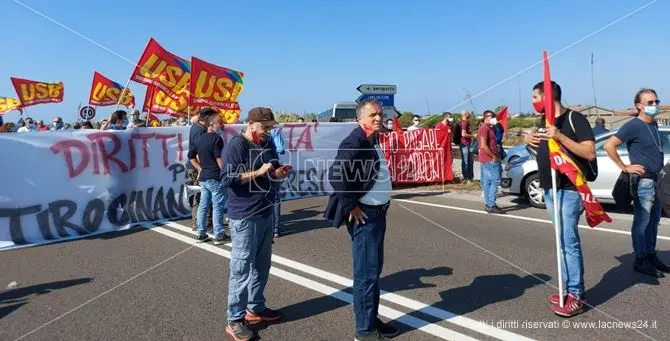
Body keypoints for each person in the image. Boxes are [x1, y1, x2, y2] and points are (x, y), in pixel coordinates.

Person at [324, 99, 399, 341]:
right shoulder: (354, 140)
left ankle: (371, 319)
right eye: (372, 115)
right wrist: (351, 206)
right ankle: (364, 332)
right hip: (366, 216)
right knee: (366, 275)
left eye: (379, 114)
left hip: (378, 214)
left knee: (373, 272)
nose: (378, 118)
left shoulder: (372, 138)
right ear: (360, 119)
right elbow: (336, 174)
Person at [524, 81, 595, 317]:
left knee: (568, 242)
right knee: (560, 243)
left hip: (569, 189)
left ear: (548, 96)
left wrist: (561, 137)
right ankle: (565, 288)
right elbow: (543, 153)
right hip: (550, 189)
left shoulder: (575, 119)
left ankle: (576, 293)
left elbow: (589, 152)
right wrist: (529, 142)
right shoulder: (542, 122)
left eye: (536, 97)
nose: (533, 102)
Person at [220, 107, 290, 340]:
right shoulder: (236, 146)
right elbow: (228, 179)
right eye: (265, 127)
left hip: (265, 212)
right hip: (244, 216)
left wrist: (277, 173)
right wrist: (258, 172)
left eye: (271, 127)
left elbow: (271, 171)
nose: (268, 132)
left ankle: (255, 307)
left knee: (262, 265)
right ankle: (235, 319)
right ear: (251, 124)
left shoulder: (268, 143)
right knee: (241, 270)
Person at [604, 88, 670, 278]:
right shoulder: (633, 126)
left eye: (656, 101)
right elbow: (609, 145)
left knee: (653, 223)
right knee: (642, 222)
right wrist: (624, 167)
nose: (654, 105)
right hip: (644, 182)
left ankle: (650, 255)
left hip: (657, 180)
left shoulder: (654, 124)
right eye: (650, 103)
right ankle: (640, 259)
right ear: (639, 106)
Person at [188, 114, 229, 244]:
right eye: (220, 123)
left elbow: (191, 156)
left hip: (204, 177)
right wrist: (226, 172)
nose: (222, 125)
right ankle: (219, 235)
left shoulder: (199, 139)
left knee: (203, 206)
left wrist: (200, 168)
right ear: (212, 124)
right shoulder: (217, 139)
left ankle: (201, 233)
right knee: (217, 206)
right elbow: (219, 158)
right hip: (215, 177)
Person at [186, 108, 218, 232]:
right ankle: (197, 224)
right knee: (200, 196)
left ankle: (205, 222)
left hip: (200, 167)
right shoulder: (198, 130)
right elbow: (199, 152)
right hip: (197, 167)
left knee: (205, 196)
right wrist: (202, 168)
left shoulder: (199, 128)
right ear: (206, 118)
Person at [479, 110, 504, 214]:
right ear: (486, 117)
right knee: (495, 181)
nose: (494, 118)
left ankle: (488, 203)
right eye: (491, 116)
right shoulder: (484, 128)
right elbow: (484, 145)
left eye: (494, 116)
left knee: (487, 181)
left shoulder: (489, 128)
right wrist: (493, 156)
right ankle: (491, 204)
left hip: (487, 158)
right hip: (489, 159)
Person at [269, 126, 287, 238]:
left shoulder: (253, 130)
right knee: (275, 199)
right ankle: (275, 229)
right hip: (273, 165)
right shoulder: (273, 131)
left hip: (259, 166)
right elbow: (281, 149)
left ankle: (270, 228)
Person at [458, 111, 475, 182]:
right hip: (465, 144)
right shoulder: (464, 123)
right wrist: (472, 136)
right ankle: (466, 177)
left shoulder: (465, 122)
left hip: (467, 144)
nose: (470, 114)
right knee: (466, 161)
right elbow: (463, 134)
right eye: (468, 113)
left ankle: (470, 177)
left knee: (470, 161)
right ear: (465, 114)